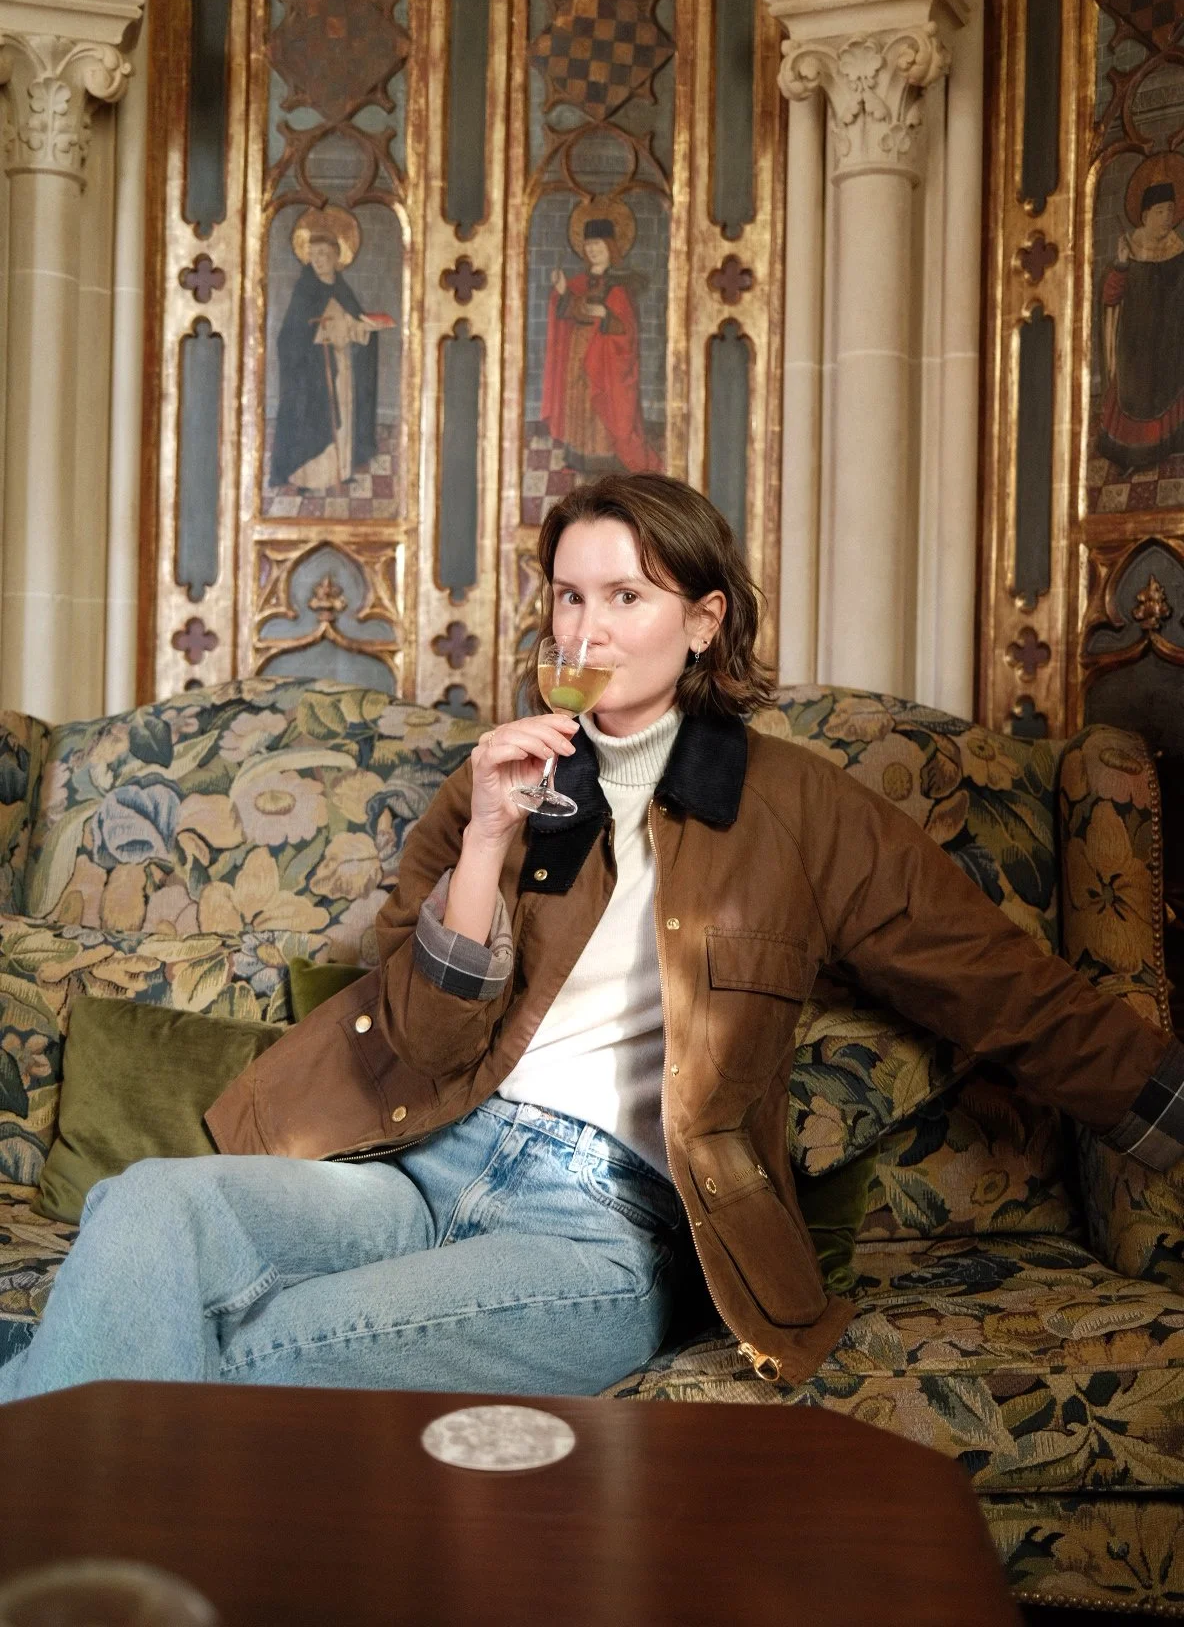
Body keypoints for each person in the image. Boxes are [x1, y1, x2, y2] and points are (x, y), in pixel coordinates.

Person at [3, 474, 1182, 1403]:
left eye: (626, 596)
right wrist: (482, 842)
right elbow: (421, 1035)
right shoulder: (497, 783)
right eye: (570, 597)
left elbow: (1004, 990)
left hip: (600, 1234)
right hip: (422, 1166)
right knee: (146, 1208)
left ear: (704, 621)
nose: (590, 626)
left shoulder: (801, 812)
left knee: (250, 1356)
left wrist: (1166, 1112)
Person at [269, 208, 384, 493]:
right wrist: (317, 336)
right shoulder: (305, 289)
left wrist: (363, 329)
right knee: (314, 417)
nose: (317, 260)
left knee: (343, 413)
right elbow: (289, 336)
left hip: (340, 366)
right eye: (313, 254)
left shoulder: (342, 288)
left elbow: (353, 322)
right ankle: (308, 477)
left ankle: (340, 471)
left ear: (336, 256)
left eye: (323, 254)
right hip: (312, 371)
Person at [540, 205, 658, 475]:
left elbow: (627, 327)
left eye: (599, 245)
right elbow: (571, 309)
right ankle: (578, 454)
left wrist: (606, 314)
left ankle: (605, 457)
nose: (593, 250)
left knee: (602, 400)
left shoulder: (620, 282)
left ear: (611, 247)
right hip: (578, 351)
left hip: (605, 356)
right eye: (589, 245)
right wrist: (561, 293)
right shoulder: (580, 281)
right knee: (578, 399)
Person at [1097, 170, 1184, 471]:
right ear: (1145, 215)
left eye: (1171, 211)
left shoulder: (1178, 248)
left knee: (1170, 388)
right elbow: (1110, 296)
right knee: (1136, 396)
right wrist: (1121, 263)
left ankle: (1169, 446)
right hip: (1135, 342)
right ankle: (1136, 456)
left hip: (1169, 338)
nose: (1167, 217)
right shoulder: (1131, 247)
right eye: (1160, 211)